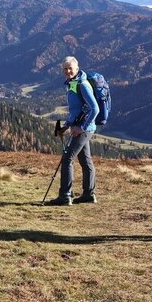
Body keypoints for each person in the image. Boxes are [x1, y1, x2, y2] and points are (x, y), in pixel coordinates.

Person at [47, 56, 99, 206]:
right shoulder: (73, 83)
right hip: (80, 127)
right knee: (85, 161)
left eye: (70, 68)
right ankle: (88, 195)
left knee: (67, 159)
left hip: (83, 129)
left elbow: (95, 109)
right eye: (65, 69)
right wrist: (66, 126)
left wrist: (81, 128)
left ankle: (65, 196)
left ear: (77, 68)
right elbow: (76, 110)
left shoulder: (82, 84)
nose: (68, 71)